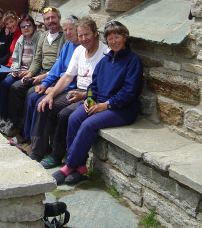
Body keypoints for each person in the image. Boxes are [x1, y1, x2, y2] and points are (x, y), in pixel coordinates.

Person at [52, 21, 143, 185]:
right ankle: (80, 167)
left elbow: (129, 92)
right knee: (73, 118)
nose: (113, 41)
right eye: (110, 38)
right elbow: (93, 85)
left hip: (121, 109)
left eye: (117, 37)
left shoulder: (132, 61)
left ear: (124, 38)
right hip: (98, 103)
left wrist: (106, 105)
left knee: (88, 125)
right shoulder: (105, 60)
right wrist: (89, 99)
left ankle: (68, 166)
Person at [28, 17, 108, 164]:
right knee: (44, 104)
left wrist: (84, 95)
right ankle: (36, 152)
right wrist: (51, 95)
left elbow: (105, 85)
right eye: (80, 35)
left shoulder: (105, 53)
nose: (83, 39)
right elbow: (67, 76)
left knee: (65, 114)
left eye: (87, 35)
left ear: (95, 33)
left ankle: (56, 156)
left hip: (92, 94)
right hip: (77, 90)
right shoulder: (79, 50)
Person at [7, 6, 66, 138]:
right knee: (15, 88)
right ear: (44, 22)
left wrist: (43, 76)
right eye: (47, 19)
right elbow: (37, 59)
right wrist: (29, 74)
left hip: (55, 75)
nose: (50, 21)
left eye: (53, 17)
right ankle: (16, 125)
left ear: (59, 18)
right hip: (40, 72)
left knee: (30, 93)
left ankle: (26, 132)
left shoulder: (64, 37)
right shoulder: (44, 36)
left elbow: (62, 65)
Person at [22, 15, 80, 145]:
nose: (68, 33)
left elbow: (72, 76)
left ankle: (37, 144)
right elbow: (56, 68)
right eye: (65, 30)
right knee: (32, 95)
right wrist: (45, 83)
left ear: (78, 29)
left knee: (41, 103)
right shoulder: (67, 45)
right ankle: (27, 137)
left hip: (69, 86)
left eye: (71, 29)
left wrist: (55, 88)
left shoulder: (81, 48)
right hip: (58, 81)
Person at [0, 14, 40, 127]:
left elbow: (38, 60)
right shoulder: (21, 39)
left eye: (28, 25)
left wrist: (29, 72)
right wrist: (15, 69)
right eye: (23, 26)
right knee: (3, 84)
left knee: (14, 88)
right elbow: (15, 58)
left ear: (33, 26)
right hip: (19, 71)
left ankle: (13, 121)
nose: (26, 28)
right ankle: (4, 117)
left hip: (31, 72)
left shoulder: (39, 38)